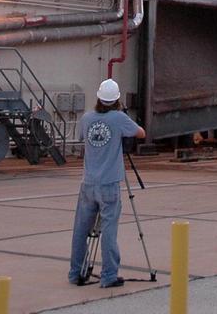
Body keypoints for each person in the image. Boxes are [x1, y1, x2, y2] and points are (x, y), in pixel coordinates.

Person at [68, 78, 145, 288]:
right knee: (109, 230)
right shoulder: (119, 118)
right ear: (117, 99)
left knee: (81, 230)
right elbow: (141, 133)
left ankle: (76, 272)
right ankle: (109, 275)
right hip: (109, 184)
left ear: (99, 98)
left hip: (88, 183)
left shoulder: (86, 118)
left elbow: (82, 137)